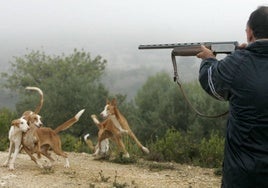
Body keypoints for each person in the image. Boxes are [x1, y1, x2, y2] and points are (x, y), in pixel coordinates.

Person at [196, 6, 268, 188]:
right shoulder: (239, 60)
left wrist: (208, 59)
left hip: (242, 176)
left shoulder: (237, 63)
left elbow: (209, 80)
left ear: (250, 33)